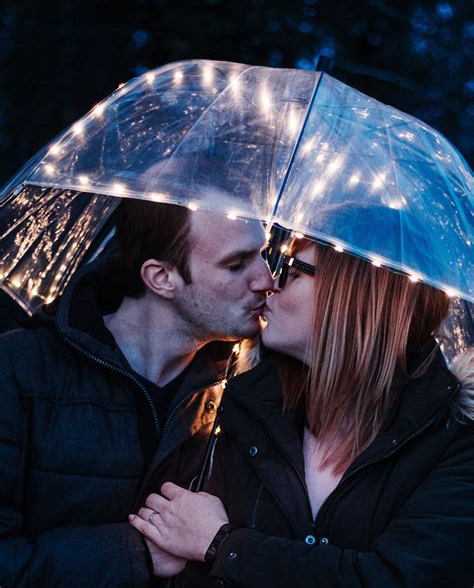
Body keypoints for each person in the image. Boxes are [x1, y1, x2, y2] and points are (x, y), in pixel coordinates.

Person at [130, 236, 474, 588]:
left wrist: (222, 544)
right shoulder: (243, 411)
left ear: (351, 296)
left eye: (292, 271)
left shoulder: (454, 443)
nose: (270, 284)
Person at [0, 195, 273, 586]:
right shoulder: (18, 369)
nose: (266, 280)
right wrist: (135, 555)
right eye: (235, 265)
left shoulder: (243, 387)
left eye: (262, 254)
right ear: (162, 277)